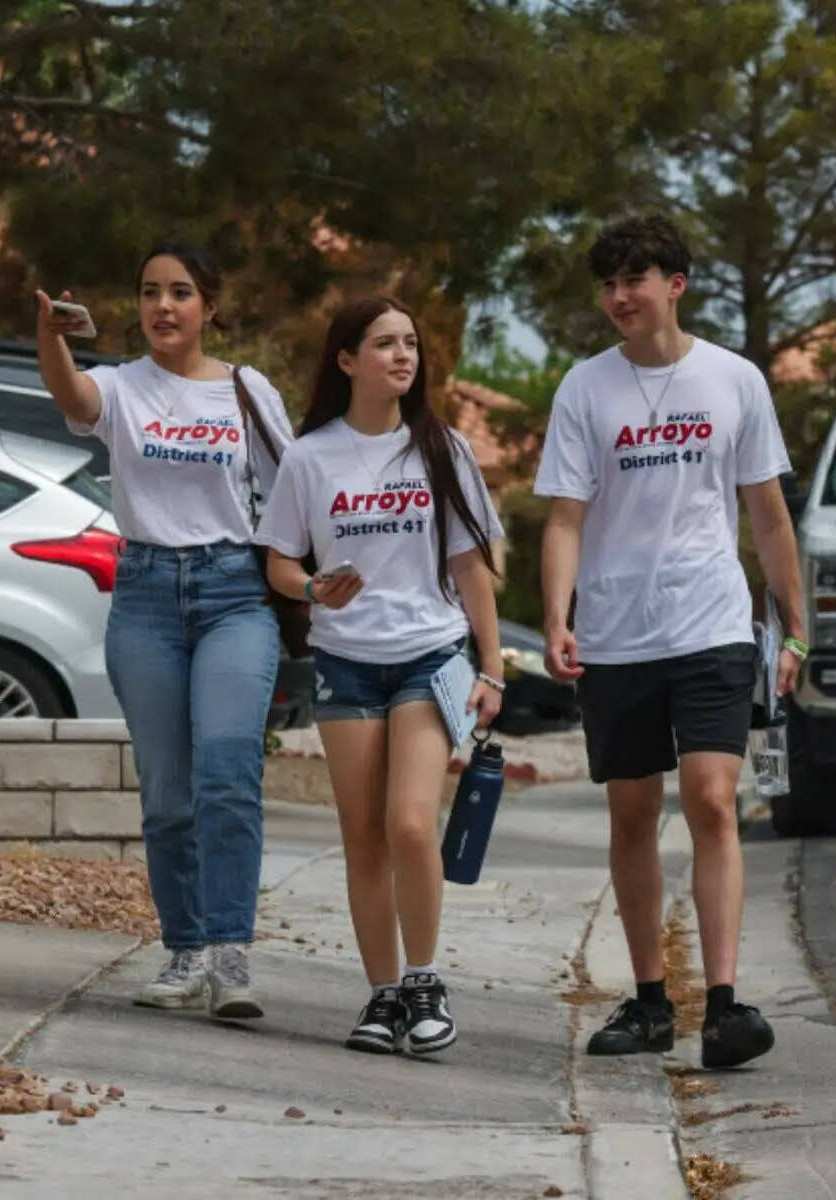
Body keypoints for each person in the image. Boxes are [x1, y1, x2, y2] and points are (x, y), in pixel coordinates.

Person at [534, 215, 805, 1069]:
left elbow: (766, 512)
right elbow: (566, 516)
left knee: (714, 798)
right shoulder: (585, 389)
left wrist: (795, 622)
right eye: (607, 284)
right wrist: (555, 615)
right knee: (632, 813)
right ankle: (651, 1000)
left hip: (712, 621)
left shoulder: (734, 380)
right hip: (617, 631)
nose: (618, 297)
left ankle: (724, 1006)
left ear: (675, 284)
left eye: (634, 280)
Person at [35, 242, 294, 1019]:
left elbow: (294, 496)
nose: (164, 306)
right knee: (169, 795)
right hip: (145, 596)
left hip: (234, 595)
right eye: (150, 292)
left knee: (226, 768)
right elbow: (74, 399)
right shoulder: (121, 386)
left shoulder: (248, 392)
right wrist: (52, 338)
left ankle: (232, 955)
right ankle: (185, 949)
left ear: (209, 306)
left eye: (181, 292)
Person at [254, 297, 505, 1056]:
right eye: (385, 344)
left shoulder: (441, 449)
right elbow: (279, 562)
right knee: (363, 839)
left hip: (430, 657)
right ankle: (383, 996)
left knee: (408, 824)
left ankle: (425, 981)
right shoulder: (310, 456)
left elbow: (470, 564)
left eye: (411, 344)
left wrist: (492, 668)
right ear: (346, 360)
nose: (404, 356)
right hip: (345, 664)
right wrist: (311, 589)